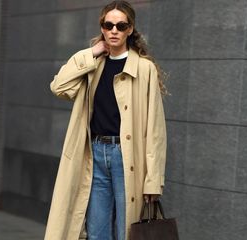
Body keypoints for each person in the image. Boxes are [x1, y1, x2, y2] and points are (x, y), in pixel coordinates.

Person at [44, 1, 167, 240]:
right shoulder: (93, 64)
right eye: (108, 25)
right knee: (96, 232)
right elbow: (59, 87)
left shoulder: (144, 69)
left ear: (130, 29)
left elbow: (155, 129)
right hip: (95, 154)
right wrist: (91, 52)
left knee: (127, 231)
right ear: (102, 27)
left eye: (121, 25)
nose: (114, 30)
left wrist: (153, 181)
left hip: (127, 157)